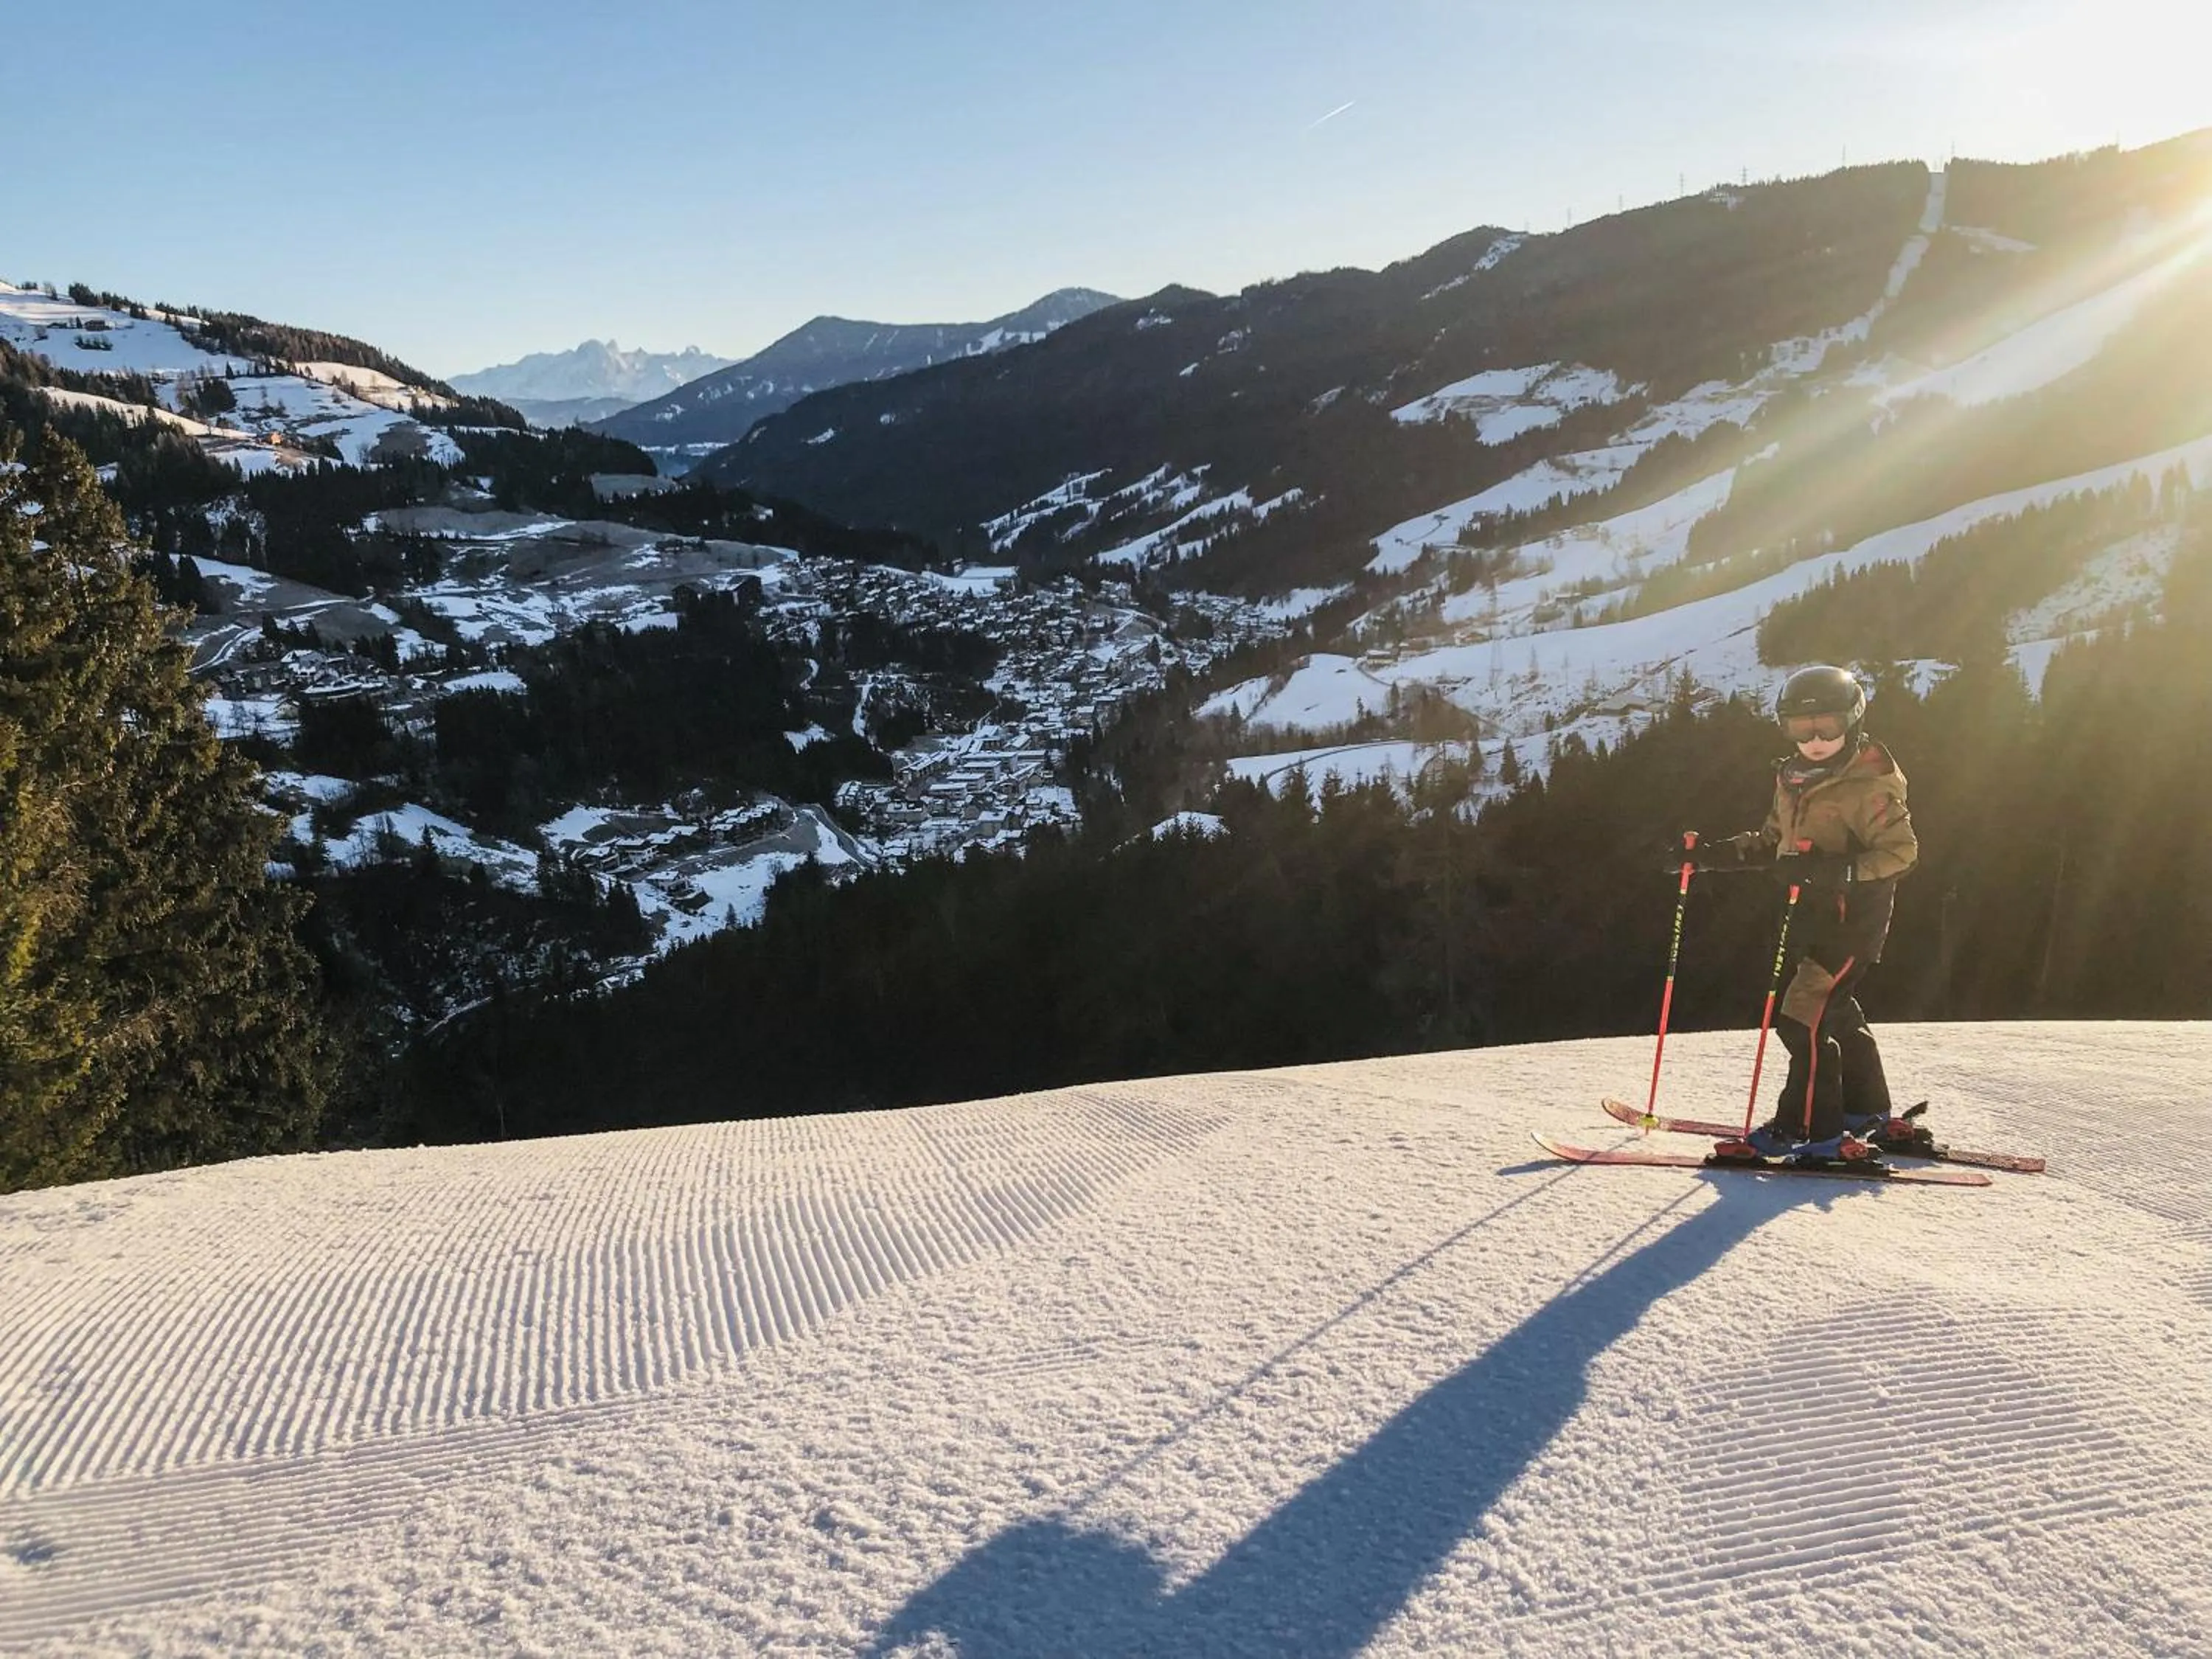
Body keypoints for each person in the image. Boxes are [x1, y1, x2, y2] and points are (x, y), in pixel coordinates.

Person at [1695, 665, 1919, 1164]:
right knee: (1834, 1011)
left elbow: (1901, 853)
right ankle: (1864, 1111)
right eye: (1802, 728)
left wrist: (1833, 871)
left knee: (1803, 1021)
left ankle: (1812, 1130)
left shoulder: (1868, 785)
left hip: (1851, 924)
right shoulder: (1794, 778)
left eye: (1827, 727)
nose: (1815, 740)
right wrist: (1709, 857)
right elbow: (1775, 842)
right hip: (1814, 920)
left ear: (1852, 721)